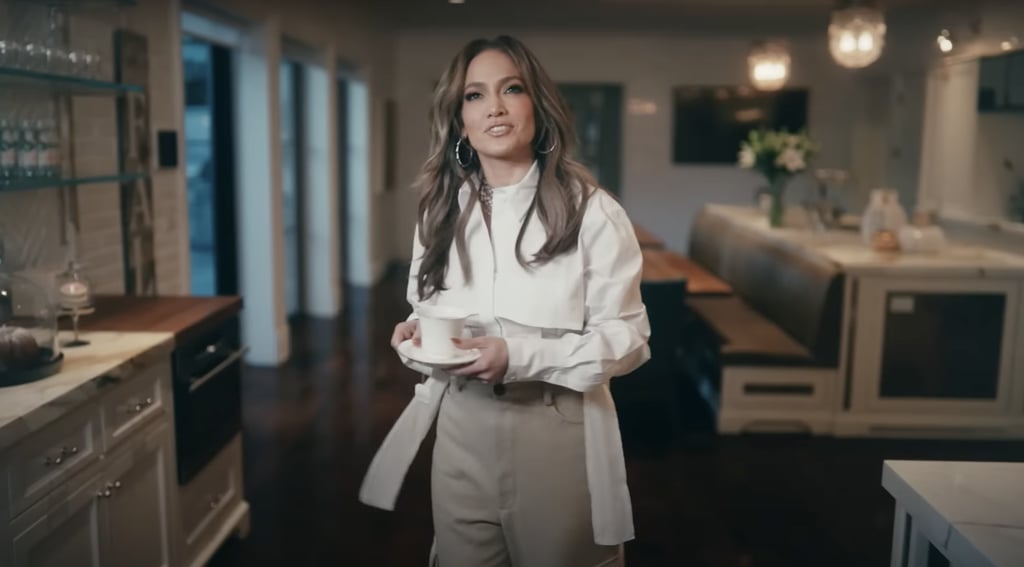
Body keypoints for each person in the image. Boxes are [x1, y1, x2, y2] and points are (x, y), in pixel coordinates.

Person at [359, 35, 651, 567]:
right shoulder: (438, 211)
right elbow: (427, 308)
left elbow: (628, 340)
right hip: (459, 431)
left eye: (510, 89)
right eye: (474, 95)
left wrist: (518, 358)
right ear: (458, 118)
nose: (493, 106)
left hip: (557, 434)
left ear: (537, 105)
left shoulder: (594, 213)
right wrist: (414, 336)